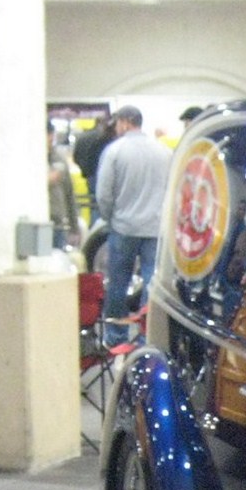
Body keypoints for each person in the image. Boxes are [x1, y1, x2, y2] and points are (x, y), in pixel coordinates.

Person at [95, 105, 173, 344]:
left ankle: (115, 337)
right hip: (155, 229)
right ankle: (147, 336)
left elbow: (104, 193)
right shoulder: (164, 152)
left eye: (118, 123)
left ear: (126, 122)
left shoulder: (114, 151)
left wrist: (109, 217)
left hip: (124, 227)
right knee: (152, 284)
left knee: (118, 284)